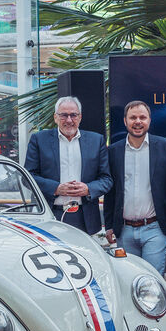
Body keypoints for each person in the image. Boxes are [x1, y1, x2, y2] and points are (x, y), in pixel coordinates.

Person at [103, 101, 166, 274]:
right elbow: (111, 191)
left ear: (149, 120)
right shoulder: (114, 151)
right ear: (125, 121)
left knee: (152, 278)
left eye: (142, 117)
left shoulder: (165, 147)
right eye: (133, 117)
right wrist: (109, 225)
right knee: (130, 278)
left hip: (155, 228)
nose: (138, 121)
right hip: (124, 231)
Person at [24, 96, 112, 234]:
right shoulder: (39, 140)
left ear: (80, 117)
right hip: (51, 215)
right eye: (64, 115)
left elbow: (106, 179)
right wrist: (56, 188)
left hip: (85, 218)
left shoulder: (97, 140)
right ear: (55, 117)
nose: (69, 120)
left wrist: (88, 188)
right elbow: (28, 177)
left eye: (73, 115)